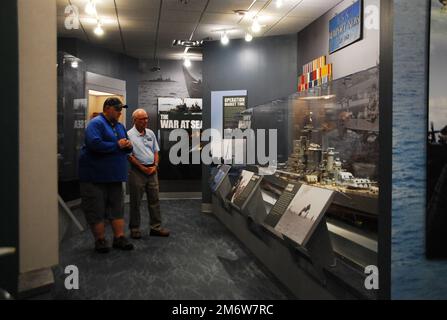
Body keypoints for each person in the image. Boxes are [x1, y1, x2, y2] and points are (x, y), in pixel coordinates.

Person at [78, 97, 134, 253]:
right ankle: (100, 240)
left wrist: (128, 145)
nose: (119, 112)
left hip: (115, 176)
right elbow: (94, 144)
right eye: (117, 109)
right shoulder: (95, 124)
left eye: (121, 109)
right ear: (107, 108)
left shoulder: (120, 126)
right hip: (95, 177)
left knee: (117, 208)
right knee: (96, 209)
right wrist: (117, 145)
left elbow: (127, 146)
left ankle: (119, 238)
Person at [127, 109, 170, 239]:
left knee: (154, 200)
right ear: (135, 120)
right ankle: (135, 228)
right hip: (137, 172)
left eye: (146, 118)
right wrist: (143, 168)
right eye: (142, 119)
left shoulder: (150, 133)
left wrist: (155, 166)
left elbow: (156, 151)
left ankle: (155, 227)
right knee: (136, 202)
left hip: (152, 171)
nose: (145, 121)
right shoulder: (129, 135)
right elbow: (129, 156)